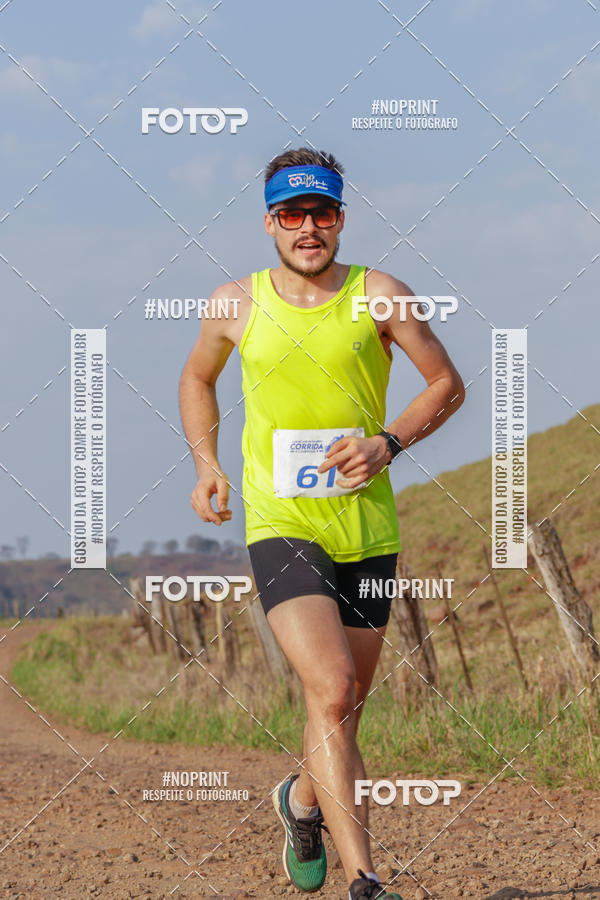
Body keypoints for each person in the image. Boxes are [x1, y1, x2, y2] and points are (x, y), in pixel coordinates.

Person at [179, 147, 465, 900]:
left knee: (341, 710)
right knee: (332, 690)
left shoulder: (381, 296)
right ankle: (365, 880)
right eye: (292, 214)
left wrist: (388, 441)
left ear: (341, 218)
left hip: (366, 528)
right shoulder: (233, 303)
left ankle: (302, 803)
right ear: (269, 221)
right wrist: (207, 463)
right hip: (281, 524)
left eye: (322, 212)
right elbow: (197, 377)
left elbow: (446, 383)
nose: (308, 227)